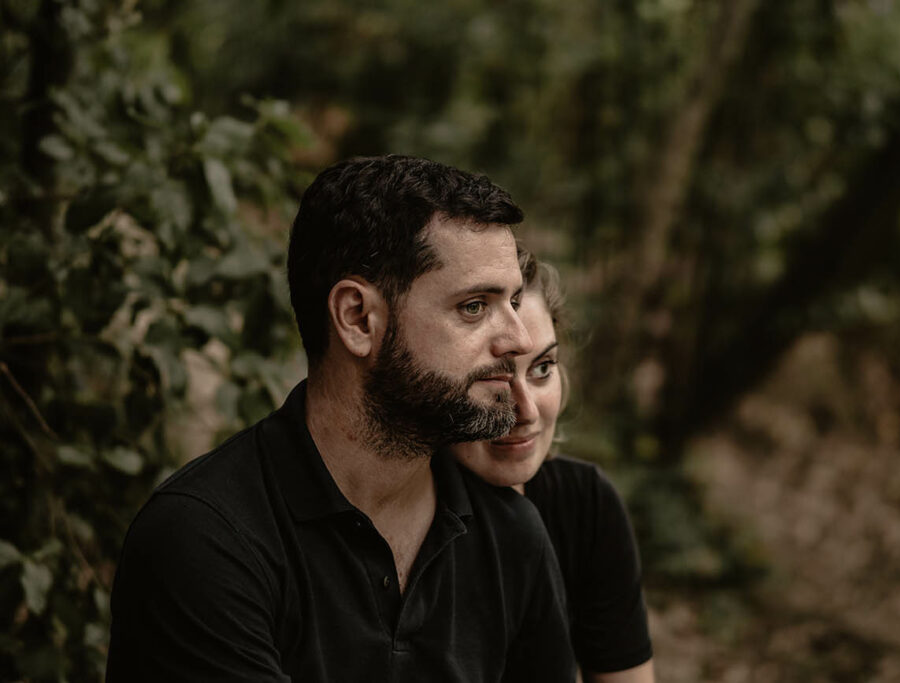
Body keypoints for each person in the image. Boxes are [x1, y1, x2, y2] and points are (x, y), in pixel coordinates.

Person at [106, 155, 576, 682]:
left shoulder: (510, 536)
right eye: (474, 306)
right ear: (357, 318)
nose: (516, 339)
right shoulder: (206, 540)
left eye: (512, 301)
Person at [450, 249, 655, 683]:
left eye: (542, 368)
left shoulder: (585, 504)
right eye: (494, 378)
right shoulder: (400, 526)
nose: (525, 411)